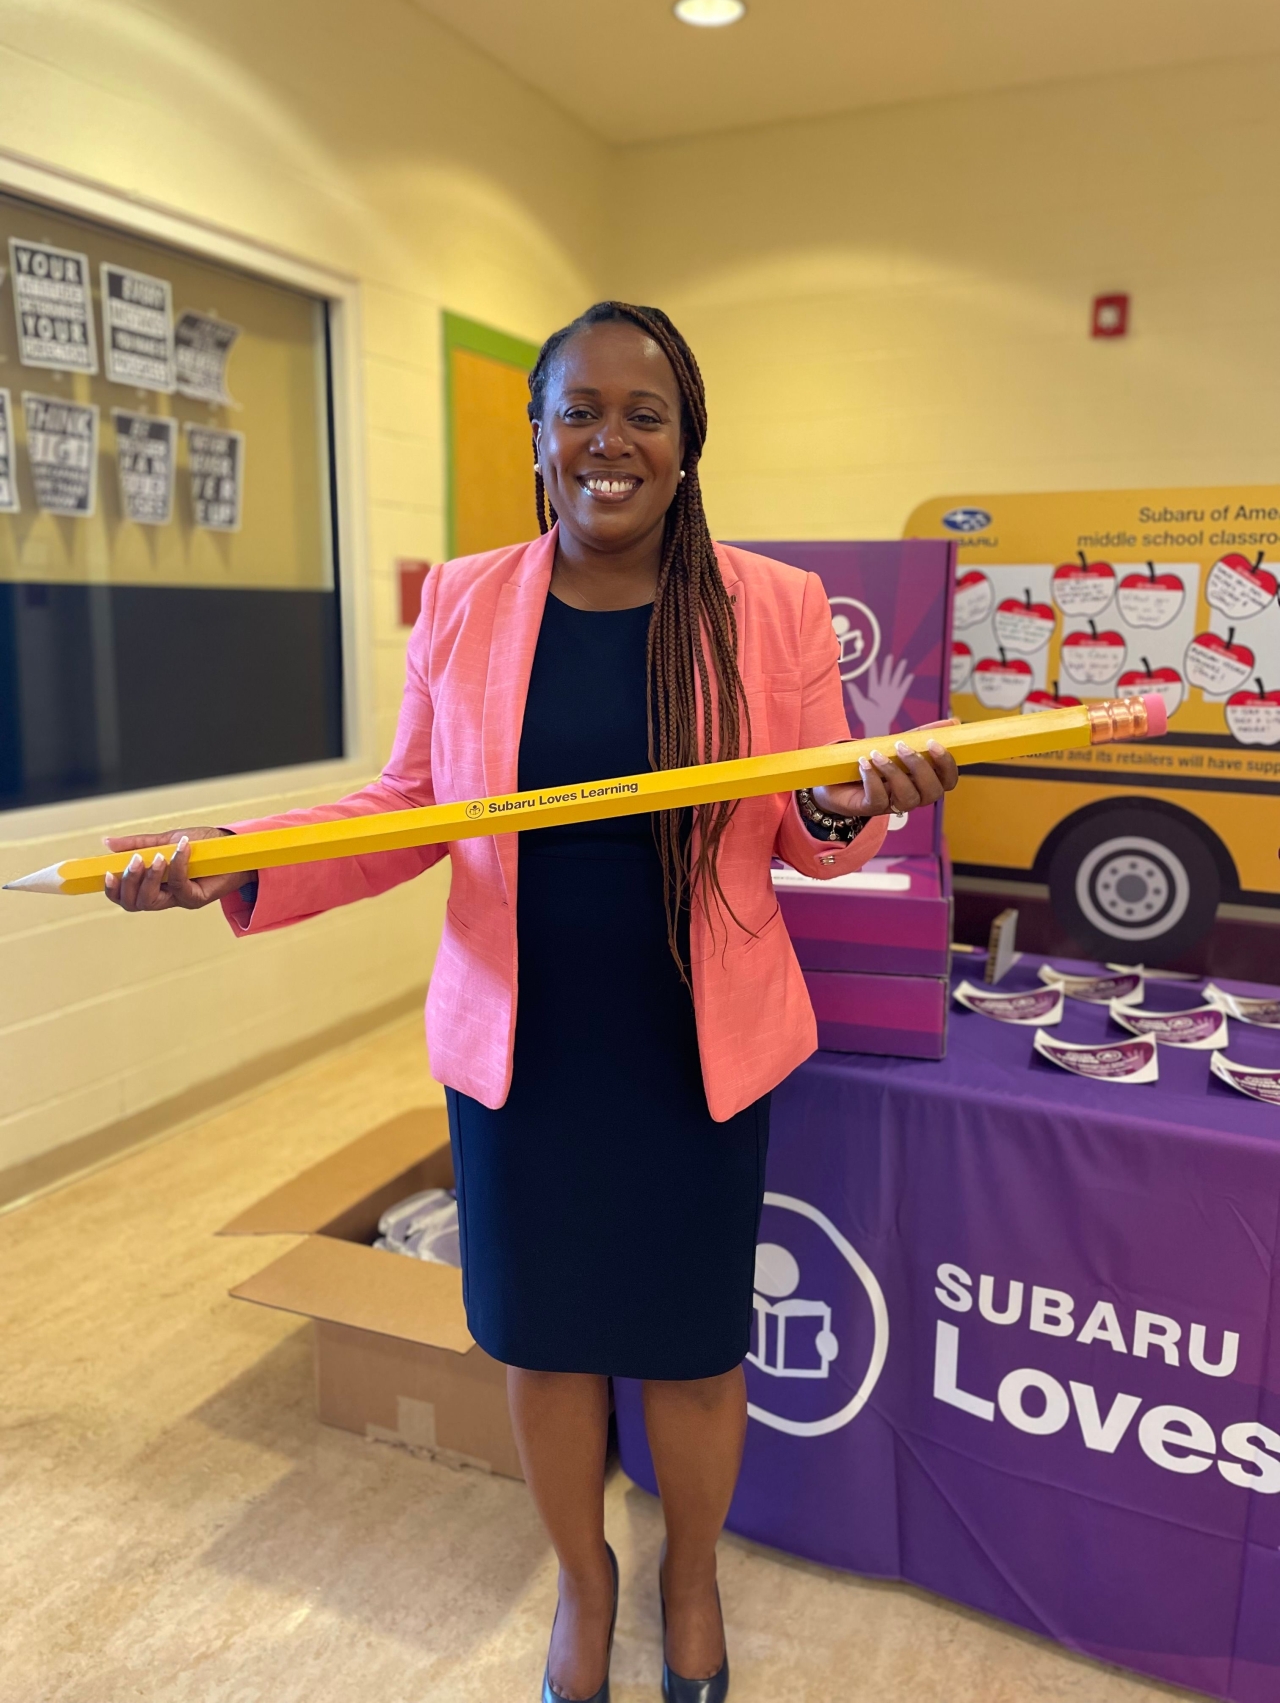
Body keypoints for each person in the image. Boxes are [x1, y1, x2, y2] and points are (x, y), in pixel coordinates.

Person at [105, 302, 958, 1703]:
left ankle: (690, 1574)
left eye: (645, 413)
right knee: (546, 1342)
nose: (610, 439)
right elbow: (407, 808)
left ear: (687, 445)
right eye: (580, 409)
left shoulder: (773, 604)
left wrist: (848, 798)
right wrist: (232, 866)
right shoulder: (466, 596)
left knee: (689, 1352)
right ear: (540, 432)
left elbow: (808, 826)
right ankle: (585, 1580)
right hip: (523, 1046)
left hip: (697, 1043)